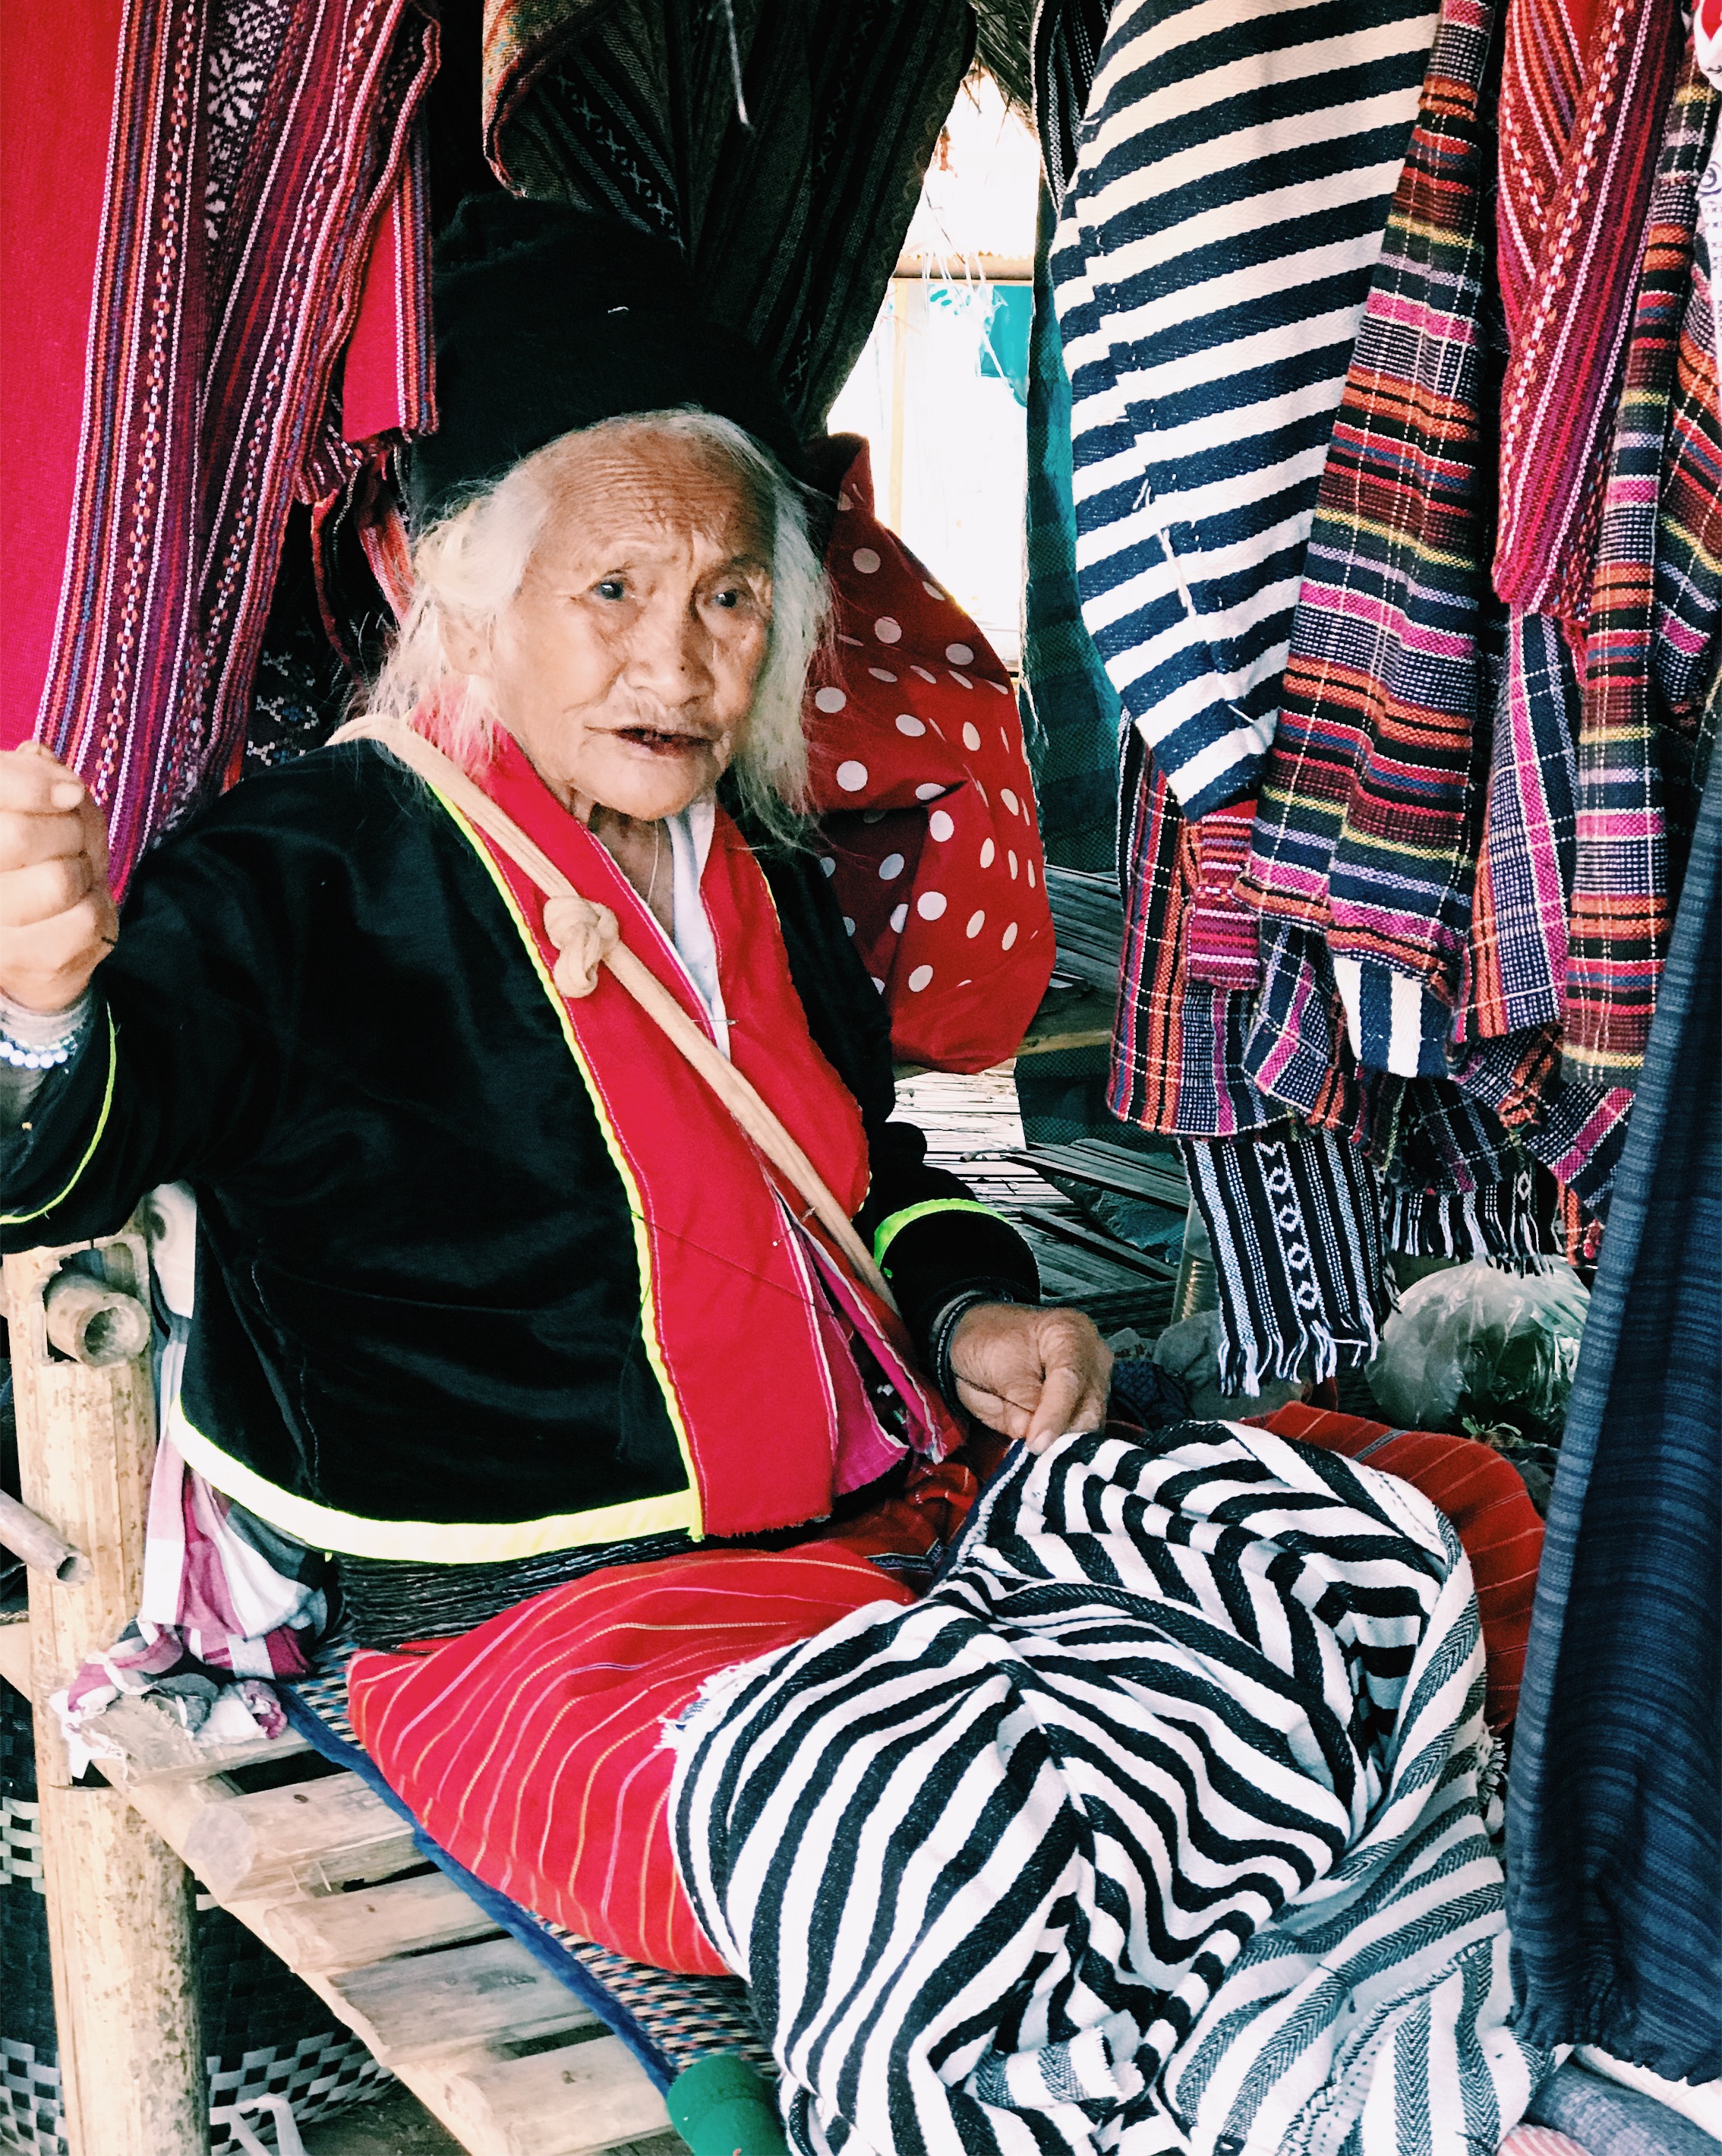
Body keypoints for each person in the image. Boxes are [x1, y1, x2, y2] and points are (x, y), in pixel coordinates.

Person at [0, 387, 1111, 1653]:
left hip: (871, 1525)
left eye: (729, 598)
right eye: (615, 590)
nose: (677, 667)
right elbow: (49, 1173)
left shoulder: (768, 872)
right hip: (519, 1615)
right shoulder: (304, 864)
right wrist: (37, 1007)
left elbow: (863, 1176)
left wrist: (974, 1313)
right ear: (472, 608)